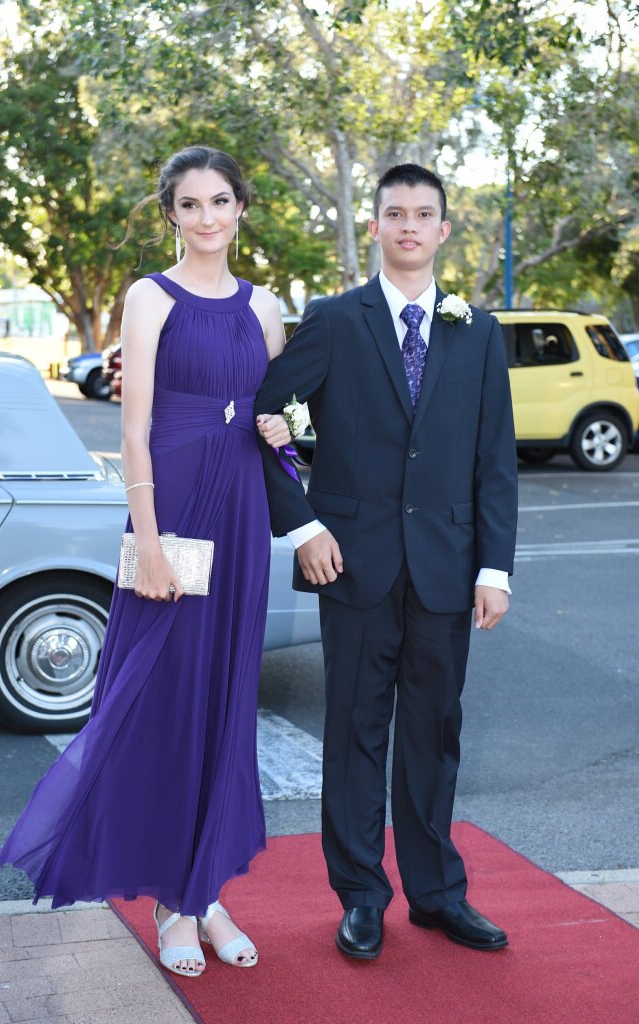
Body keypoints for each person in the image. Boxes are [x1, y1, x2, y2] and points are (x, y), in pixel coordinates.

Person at [0, 146, 291, 978]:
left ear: (240, 209)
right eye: (190, 204)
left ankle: (205, 892)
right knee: (158, 708)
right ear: (170, 213)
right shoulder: (148, 297)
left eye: (221, 201)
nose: (206, 217)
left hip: (236, 522)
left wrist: (284, 436)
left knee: (224, 711)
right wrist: (149, 543)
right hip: (170, 522)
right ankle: (170, 901)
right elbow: (132, 430)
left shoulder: (264, 307)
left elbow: (280, 426)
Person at [255, 163, 518, 959]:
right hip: (355, 565)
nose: (408, 225)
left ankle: (437, 895)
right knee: (356, 733)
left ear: (442, 230)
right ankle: (361, 896)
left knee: (435, 735)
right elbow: (266, 416)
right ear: (374, 226)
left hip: (447, 565)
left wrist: (494, 568)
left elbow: (494, 457)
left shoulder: (476, 331)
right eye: (394, 213)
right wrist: (302, 527)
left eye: (423, 214)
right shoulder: (336, 319)